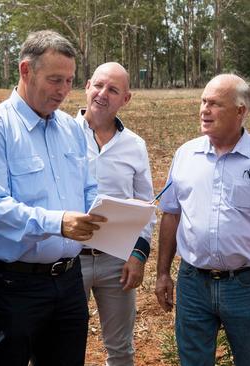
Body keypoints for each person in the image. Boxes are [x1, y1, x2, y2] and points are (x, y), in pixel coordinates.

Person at [0, 30, 105, 366]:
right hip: (15, 286)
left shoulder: (71, 128)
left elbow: (87, 186)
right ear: (25, 71)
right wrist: (58, 223)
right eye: (55, 79)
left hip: (70, 281)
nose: (63, 90)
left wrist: (104, 213)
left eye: (69, 80)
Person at [155, 73, 250, 366]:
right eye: (203, 102)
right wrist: (162, 272)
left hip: (245, 284)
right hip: (193, 282)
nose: (204, 110)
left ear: (240, 111)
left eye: (215, 104)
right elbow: (171, 214)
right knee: (193, 360)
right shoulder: (186, 154)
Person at [74, 62, 155, 366]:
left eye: (113, 90)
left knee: (120, 349)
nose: (102, 94)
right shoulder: (61, 134)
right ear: (86, 86)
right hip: (68, 260)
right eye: (98, 85)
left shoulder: (134, 146)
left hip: (116, 261)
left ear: (126, 99)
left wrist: (138, 255)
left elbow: (147, 207)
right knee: (63, 345)